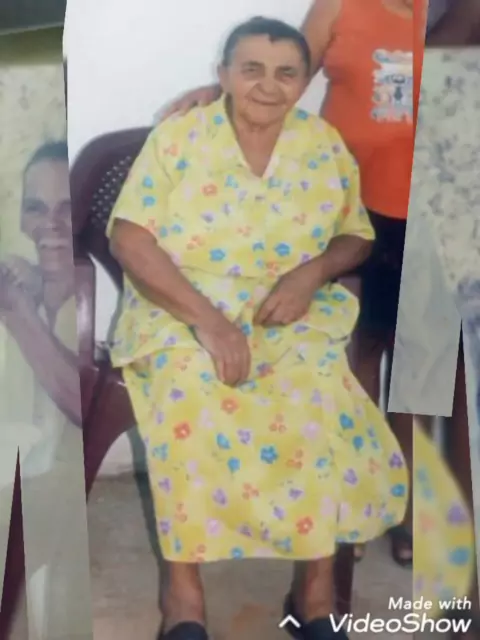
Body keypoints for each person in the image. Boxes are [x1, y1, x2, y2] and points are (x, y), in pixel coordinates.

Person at [107, 17, 408, 640]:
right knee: (187, 386)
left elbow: (355, 235)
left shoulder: (321, 144)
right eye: (251, 70)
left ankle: (314, 597)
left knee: (321, 389)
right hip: (179, 306)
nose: (268, 86)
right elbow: (129, 238)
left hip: (284, 308)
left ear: (304, 80)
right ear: (223, 75)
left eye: (286, 73)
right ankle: (183, 599)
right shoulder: (180, 137)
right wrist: (210, 323)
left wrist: (311, 273)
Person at [158, 0, 417, 567]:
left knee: (421, 368)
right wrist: (219, 94)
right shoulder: (340, 6)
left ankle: (410, 508)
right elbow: (285, 70)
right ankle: (348, 504)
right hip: (343, 206)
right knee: (355, 355)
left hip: (433, 204)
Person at [0, 142, 92, 640]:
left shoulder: (88, 291)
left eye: (66, 209)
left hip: (49, 482)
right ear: (21, 219)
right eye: (37, 208)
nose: (51, 225)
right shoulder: (17, 278)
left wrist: (20, 313)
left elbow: (81, 406)